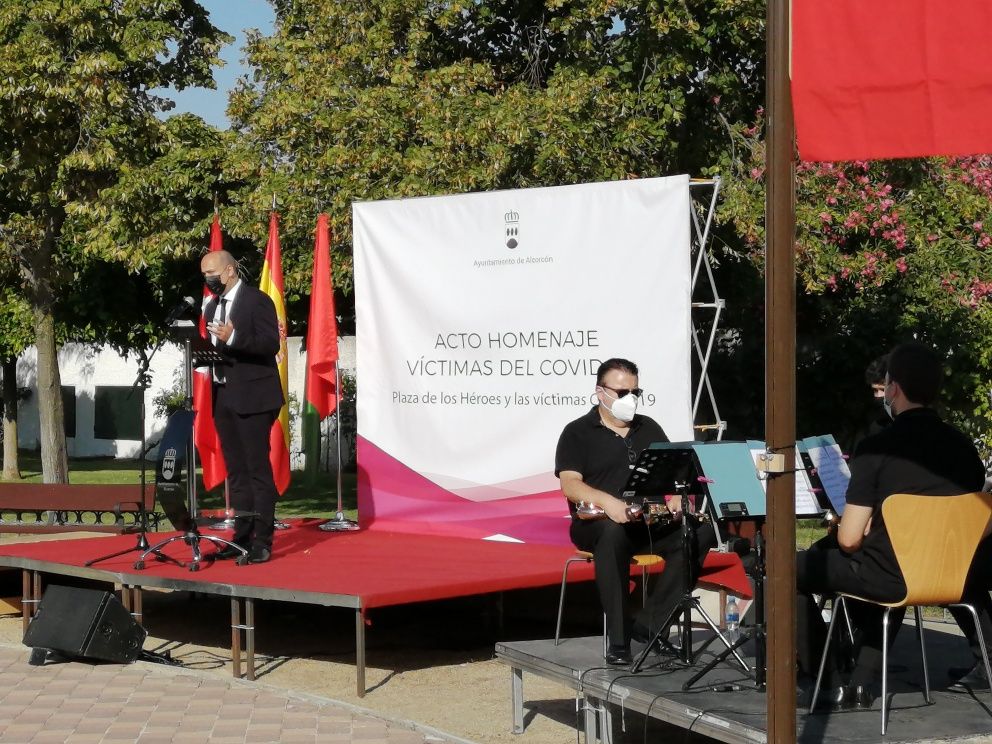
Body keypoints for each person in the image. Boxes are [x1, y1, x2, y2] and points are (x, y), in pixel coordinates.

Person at [796, 342, 987, 710]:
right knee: (889, 554)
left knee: (787, 571)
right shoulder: (965, 450)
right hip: (950, 572)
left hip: (890, 576)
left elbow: (849, 540)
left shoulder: (877, 448)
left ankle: (830, 681)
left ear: (894, 389)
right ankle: (861, 680)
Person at [555, 358, 715, 665]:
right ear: (600, 392)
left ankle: (650, 625)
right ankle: (619, 640)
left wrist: (678, 497)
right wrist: (609, 503)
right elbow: (570, 485)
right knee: (612, 534)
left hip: (647, 522)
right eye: (622, 392)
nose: (630, 399)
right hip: (598, 522)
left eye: (635, 392)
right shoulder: (577, 432)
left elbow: (675, 473)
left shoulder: (648, 427)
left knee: (699, 531)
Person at [200, 249, 284, 564]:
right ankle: (241, 538)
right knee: (236, 472)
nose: (208, 280)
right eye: (204, 275)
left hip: (255, 397)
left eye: (212, 273)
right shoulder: (211, 307)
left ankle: (262, 541)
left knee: (256, 470)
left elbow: (269, 344)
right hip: (223, 396)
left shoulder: (257, 301)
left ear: (230, 270)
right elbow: (215, 350)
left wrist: (234, 337)